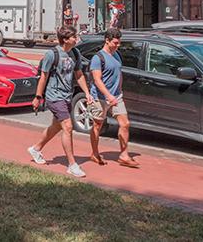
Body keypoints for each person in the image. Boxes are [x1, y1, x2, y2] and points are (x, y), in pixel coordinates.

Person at [27, 25, 94, 178]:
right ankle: (72, 165)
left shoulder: (75, 53)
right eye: (74, 37)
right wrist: (38, 97)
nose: (76, 39)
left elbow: (79, 74)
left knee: (56, 126)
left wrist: (87, 93)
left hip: (67, 95)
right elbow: (43, 77)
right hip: (54, 96)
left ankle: (36, 149)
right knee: (68, 127)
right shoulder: (52, 54)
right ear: (65, 39)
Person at [87, 27, 139, 168]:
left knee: (125, 124)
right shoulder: (98, 58)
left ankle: (124, 155)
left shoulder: (117, 55)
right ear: (107, 40)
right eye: (115, 43)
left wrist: (119, 90)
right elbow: (97, 80)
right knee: (97, 125)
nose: (118, 45)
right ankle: (95, 153)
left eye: (119, 42)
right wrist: (108, 95)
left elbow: (118, 72)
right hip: (100, 97)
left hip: (116, 96)